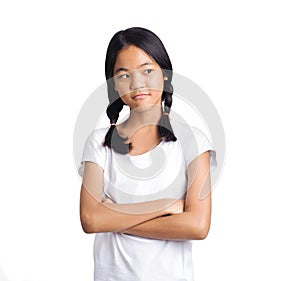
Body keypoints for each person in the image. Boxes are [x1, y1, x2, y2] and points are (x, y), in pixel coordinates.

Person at [78, 27, 217, 281]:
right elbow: (90, 220)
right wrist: (166, 206)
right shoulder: (98, 143)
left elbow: (197, 226)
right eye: (123, 75)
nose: (137, 84)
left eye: (147, 71)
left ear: (165, 75)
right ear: (113, 83)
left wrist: (115, 217)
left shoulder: (193, 141)